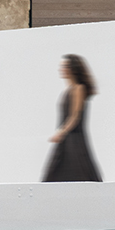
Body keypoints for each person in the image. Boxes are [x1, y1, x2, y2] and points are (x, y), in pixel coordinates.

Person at [42, 54, 103, 182]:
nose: (61, 69)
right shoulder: (68, 90)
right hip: (66, 140)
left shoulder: (78, 89)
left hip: (74, 140)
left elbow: (75, 116)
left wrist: (61, 132)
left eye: (64, 67)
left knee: (77, 171)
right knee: (55, 173)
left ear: (72, 69)